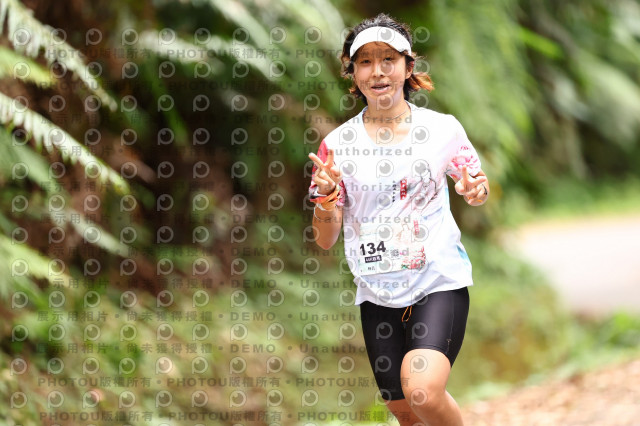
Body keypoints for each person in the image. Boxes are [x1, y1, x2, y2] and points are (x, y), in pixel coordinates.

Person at [307, 13, 490, 426]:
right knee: (405, 412)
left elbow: (475, 187)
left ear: (408, 67)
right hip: (376, 292)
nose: (378, 71)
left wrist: (474, 189)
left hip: (438, 279)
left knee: (422, 391)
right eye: (366, 61)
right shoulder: (337, 146)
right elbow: (325, 238)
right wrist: (327, 197)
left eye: (388, 59)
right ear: (353, 73)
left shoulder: (442, 130)